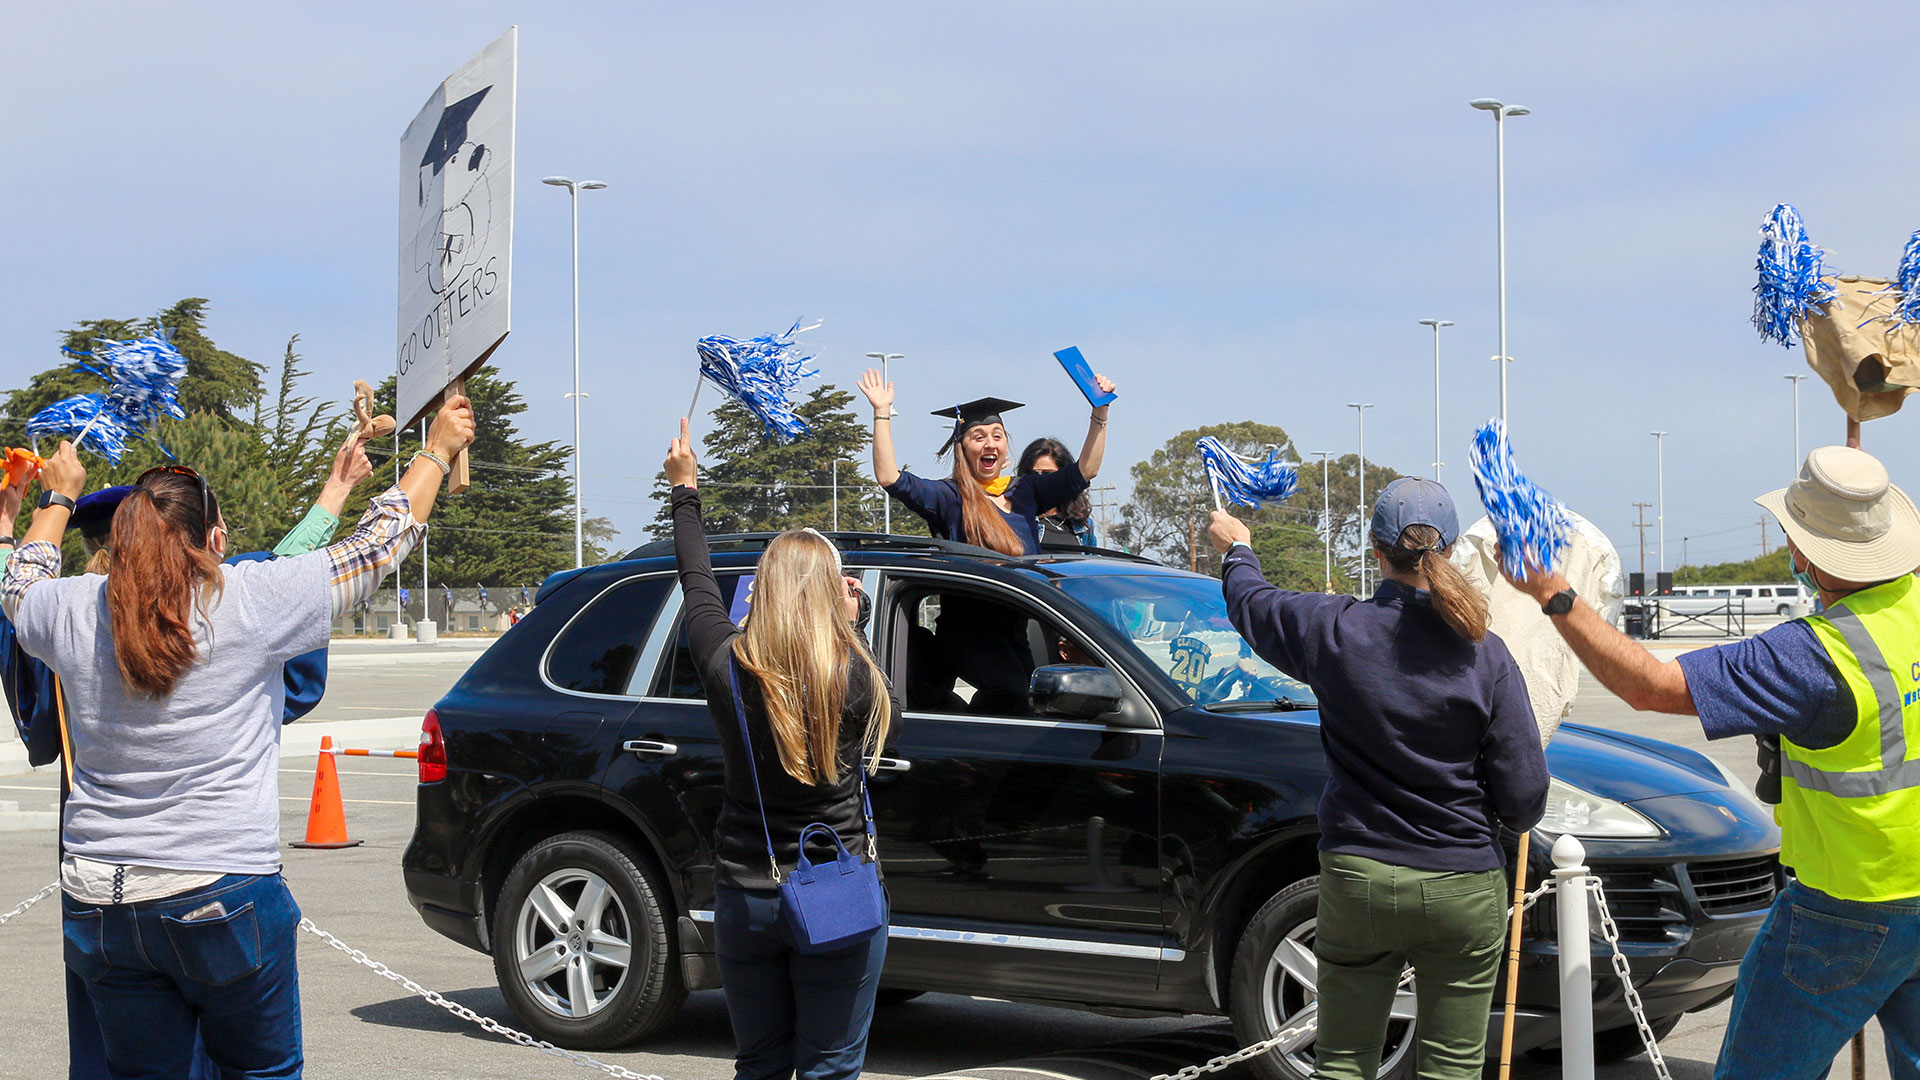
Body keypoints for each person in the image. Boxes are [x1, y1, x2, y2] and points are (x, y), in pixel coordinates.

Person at [1, 396, 475, 1079]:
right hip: (219, 888)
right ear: (213, 541)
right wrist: (435, 449)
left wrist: (57, 497)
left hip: (102, 896)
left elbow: (19, 583)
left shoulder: (70, 608)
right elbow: (381, 543)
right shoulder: (247, 599)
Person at [1504, 445, 1920, 1080]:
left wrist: (1554, 593)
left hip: (1844, 909)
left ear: (1805, 555)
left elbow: (1649, 685)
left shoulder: (1813, 657)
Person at [1207, 478, 1549, 1080]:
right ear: (1451, 554)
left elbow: (1254, 604)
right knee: (1453, 1067)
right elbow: (1524, 801)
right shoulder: (1486, 655)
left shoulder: (1333, 630)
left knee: (1342, 1061)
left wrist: (1238, 548)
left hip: (1358, 875)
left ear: (1375, 549)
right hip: (1462, 884)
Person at [664, 418, 902, 1080]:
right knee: (830, 1068)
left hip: (747, 892)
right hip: (840, 890)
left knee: (760, 1064)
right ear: (835, 595)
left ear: (764, 589)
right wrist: (852, 620)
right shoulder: (859, 679)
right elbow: (895, 711)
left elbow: (698, 583)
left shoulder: (727, 664)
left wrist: (687, 491)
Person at [855, 373, 1116, 556]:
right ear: (963, 449)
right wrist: (881, 413)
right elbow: (890, 477)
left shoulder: (1027, 491)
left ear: (1005, 448)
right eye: (978, 437)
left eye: (997, 436)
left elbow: (1086, 470)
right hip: (968, 630)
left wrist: (1100, 412)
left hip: (1020, 628)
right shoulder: (950, 497)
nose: (990, 444)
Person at [1017, 437, 1099, 548]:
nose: (1040, 479)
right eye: (1033, 474)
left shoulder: (1083, 526)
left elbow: (1092, 562)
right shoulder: (1017, 522)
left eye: (1047, 474)